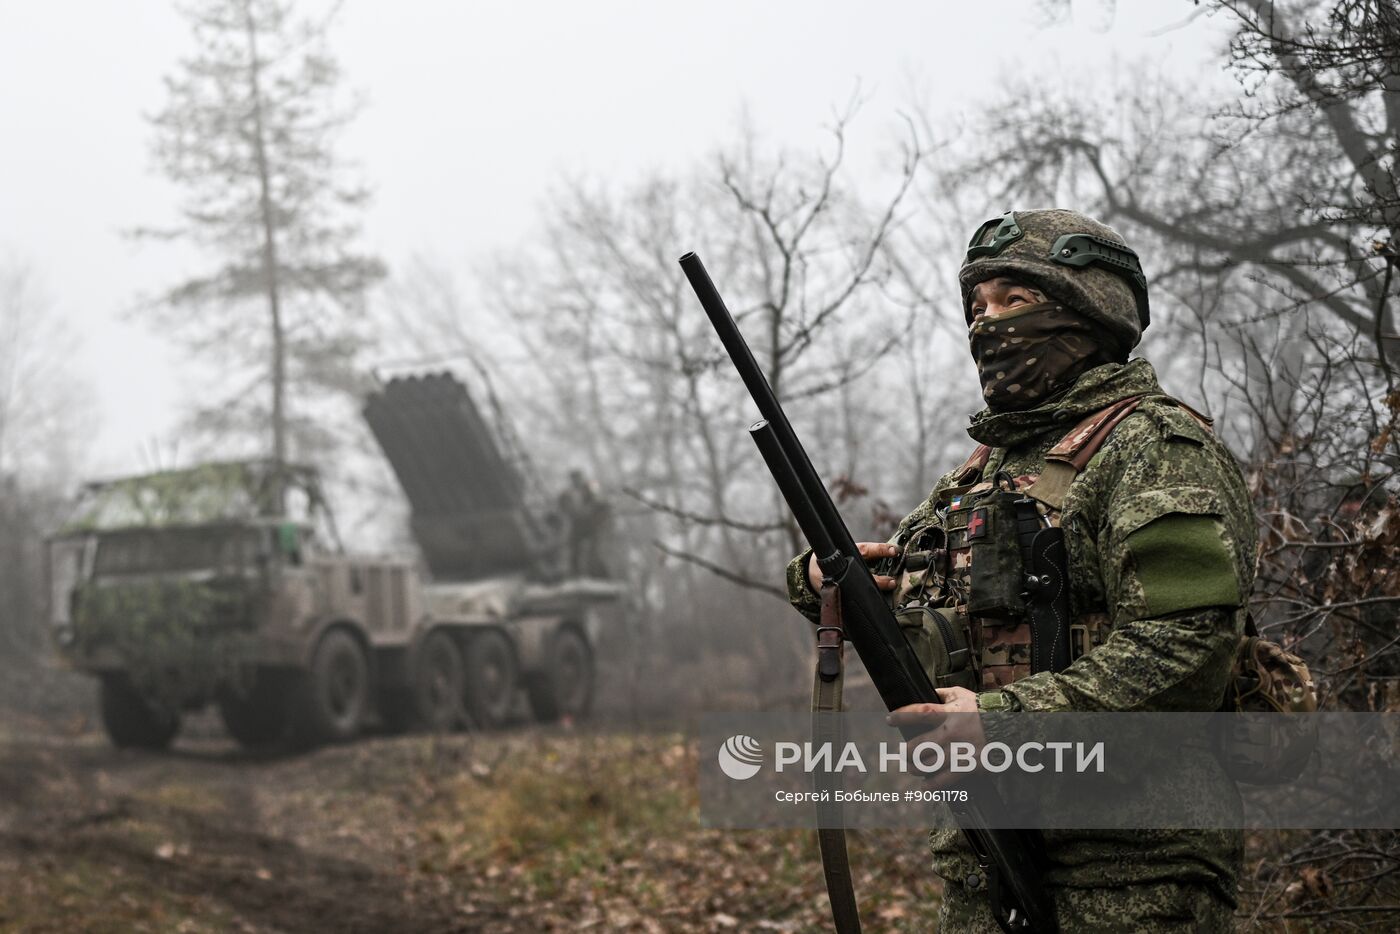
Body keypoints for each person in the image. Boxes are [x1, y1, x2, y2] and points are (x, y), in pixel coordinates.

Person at [785, 210, 1255, 932]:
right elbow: (898, 588)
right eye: (978, 307)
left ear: (1086, 313)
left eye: (1015, 302)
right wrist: (821, 581)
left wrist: (1003, 725)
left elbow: (1186, 651)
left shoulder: (1155, 449)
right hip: (985, 853)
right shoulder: (982, 473)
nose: (987, 324)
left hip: (1133, 866)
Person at [557, 468, 610, 578]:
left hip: (592, 523)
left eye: (578, 478)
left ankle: (600, 574)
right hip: (577, 524)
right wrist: (568, 511)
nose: (576, 481)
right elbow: (561, 505)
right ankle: (575, 574)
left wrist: (593, 512)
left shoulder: (591, 487)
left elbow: (602, 502)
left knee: (595, 551)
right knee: (574, 549)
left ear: (581, 478)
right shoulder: (567, 493)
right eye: (574, 479)